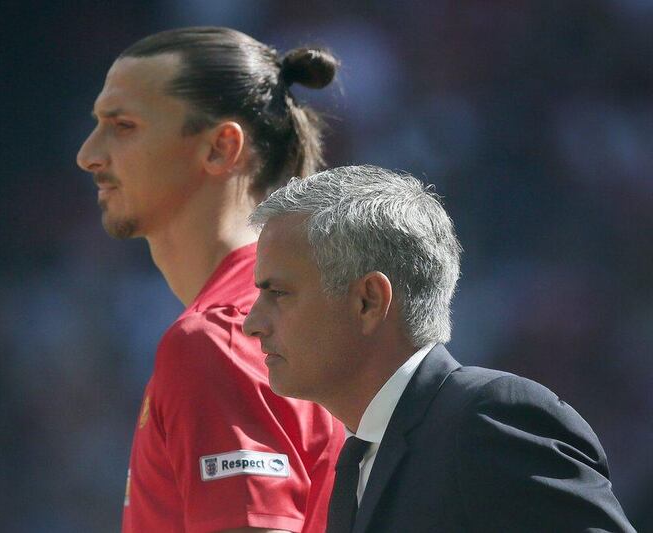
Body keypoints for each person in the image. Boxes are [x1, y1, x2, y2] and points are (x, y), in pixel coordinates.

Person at [243, 165, 636, 533]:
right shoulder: (359, 456)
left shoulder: (490, 420)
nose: (251, 323)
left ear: (368, 301)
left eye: (278, 293)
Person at [76, 27, 345, 533]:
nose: (89, 153)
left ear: (222, 148)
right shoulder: (317, 315)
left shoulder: (221, 339)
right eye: (97, 124)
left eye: (123, 125)